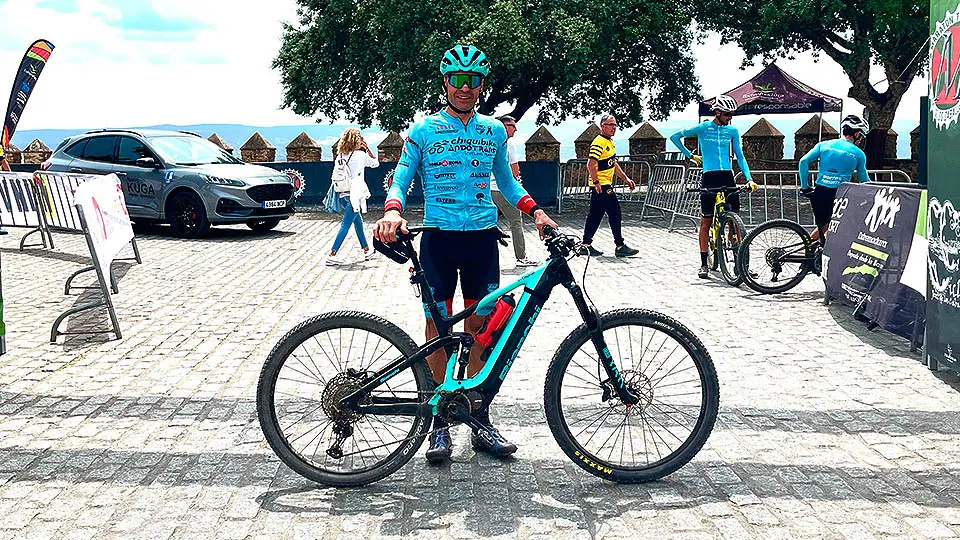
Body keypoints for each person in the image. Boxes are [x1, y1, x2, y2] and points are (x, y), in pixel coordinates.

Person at [374, 44, 558, 463]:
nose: (464, 87)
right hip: (438, 240)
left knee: (481, 327)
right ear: (445, 83)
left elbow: (507, 183)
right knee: (436, 327)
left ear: (480, 85)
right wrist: (392, 211)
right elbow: (400, 177)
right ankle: (439, 419)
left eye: (472, 80)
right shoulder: (423, 130)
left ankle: (478, 416)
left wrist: (536, 212)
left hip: (481, 241)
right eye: (457, 79)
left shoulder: (493, 131)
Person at [669, 95, 758, 279]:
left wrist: (749, 179)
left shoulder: (732, 130)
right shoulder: (704, 127)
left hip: (727, 176)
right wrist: (690, 156)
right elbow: (674, 137)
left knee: (735, 222)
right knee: (706, 221)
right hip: (710, 176)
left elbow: (740, 156)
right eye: (727, 114)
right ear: (717, 112)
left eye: (732, 114)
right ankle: (704, 264)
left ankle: (741, 264)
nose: (730, 117)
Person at [798, 115, 870, 244]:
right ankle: (812, 248)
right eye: (862, 136)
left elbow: (803, 161)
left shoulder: (823, 145)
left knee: (825, 225)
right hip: (840, 193)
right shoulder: (859, 154)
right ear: (857, 134)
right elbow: (864, 180)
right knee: (839, 223)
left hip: (820, 191)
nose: (861, 140)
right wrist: (875, 192)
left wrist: (805, 187)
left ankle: (810, 248)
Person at [577, 114, 639, 258]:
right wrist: (596, 182)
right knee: (615, 212)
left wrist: (626, 179)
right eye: (610, 125)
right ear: (602, 126)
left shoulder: (609, 142)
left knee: (595, 214)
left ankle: (585, 245)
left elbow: (613, 164)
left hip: (604, 184)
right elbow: (590, 164)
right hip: (602, 185)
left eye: (615, 125)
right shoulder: (599, 142)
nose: (614, 128)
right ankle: (620, 245)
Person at [326, 128, 379, 265]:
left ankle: (367, 250)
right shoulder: (360, 155)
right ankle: (332, 254)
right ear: (356, 140)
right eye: (360, 137)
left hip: (342, 194)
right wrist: (367, 149)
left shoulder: (340, 156)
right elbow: (375, 163)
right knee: (345, 225)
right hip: (354, 196)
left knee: (358, 223)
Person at [491, 115, 537, 267]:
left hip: (488, 189)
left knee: (486, 223)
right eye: (512, 125)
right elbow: (514, 170)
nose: (515, 129)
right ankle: (521, 257)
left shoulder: (488, 141)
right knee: (516, 222)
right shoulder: (508, 143)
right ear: (503, 126)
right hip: (503, 189)